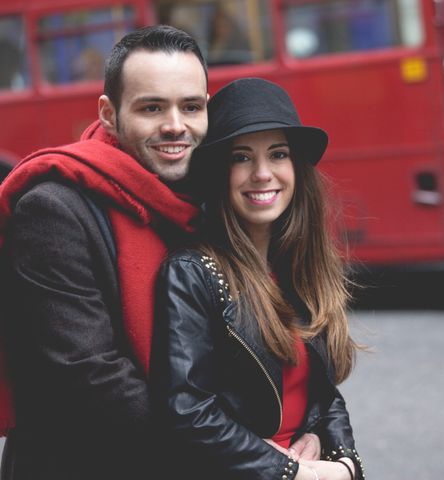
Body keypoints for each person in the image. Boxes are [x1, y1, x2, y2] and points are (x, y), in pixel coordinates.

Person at [0, 25, 208, 479]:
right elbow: (92, 376)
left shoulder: (205, 200)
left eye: (191, 107)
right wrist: (233, 449)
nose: (176, 125)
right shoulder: (52, 209)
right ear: (109, 115)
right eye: (152, 107)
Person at [152, 78, 365, 479]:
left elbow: (324, 394)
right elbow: (189, 412)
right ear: (220, 172)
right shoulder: (192, 272)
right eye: (242, 158)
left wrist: (345, 462)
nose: (263, 173)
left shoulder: (298, 265)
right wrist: (289, 471)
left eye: (278, 154)